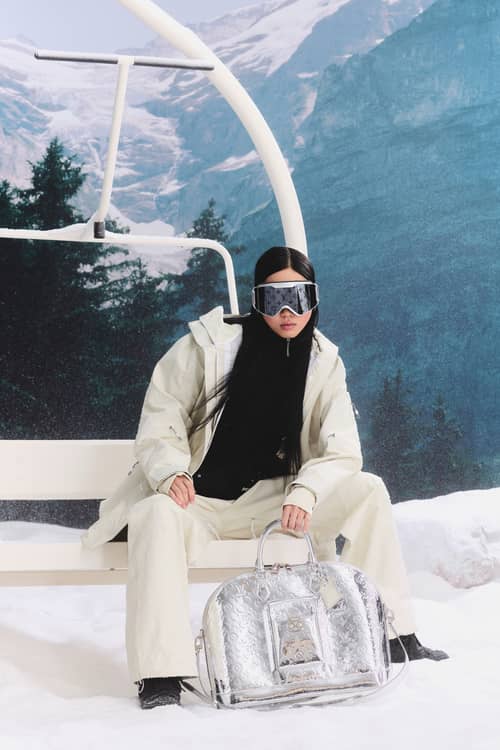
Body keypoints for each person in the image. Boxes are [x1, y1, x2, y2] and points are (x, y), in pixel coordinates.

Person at [82, 245, 449, 710]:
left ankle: (391, 635)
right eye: (275, 299)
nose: (288, 312)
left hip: (279, 503)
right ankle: (160, 674)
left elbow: (342, 450)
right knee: (155, 513)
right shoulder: (207, 348)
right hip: (200, 501)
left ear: (314, 300)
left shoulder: (323, 362)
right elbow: (162, 414)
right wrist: (169, 470)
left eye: (299, 297)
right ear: (257, 301)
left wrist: (306, 491)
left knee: (367, 491)